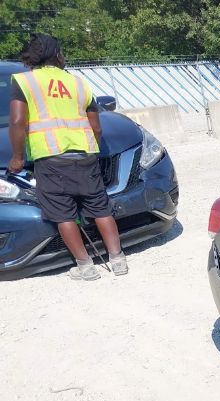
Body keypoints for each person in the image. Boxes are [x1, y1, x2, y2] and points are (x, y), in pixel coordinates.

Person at [8, 33, 127, 280]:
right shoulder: (79, 83)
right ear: (56, 54)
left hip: (50, 159)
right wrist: (90, 147)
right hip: (84, 155)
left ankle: (85, 267)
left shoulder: (24, 82)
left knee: (63, 215)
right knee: (100, 208)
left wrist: (18, 158)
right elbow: (96, 126)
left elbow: (18, 122)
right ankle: (118, 260)